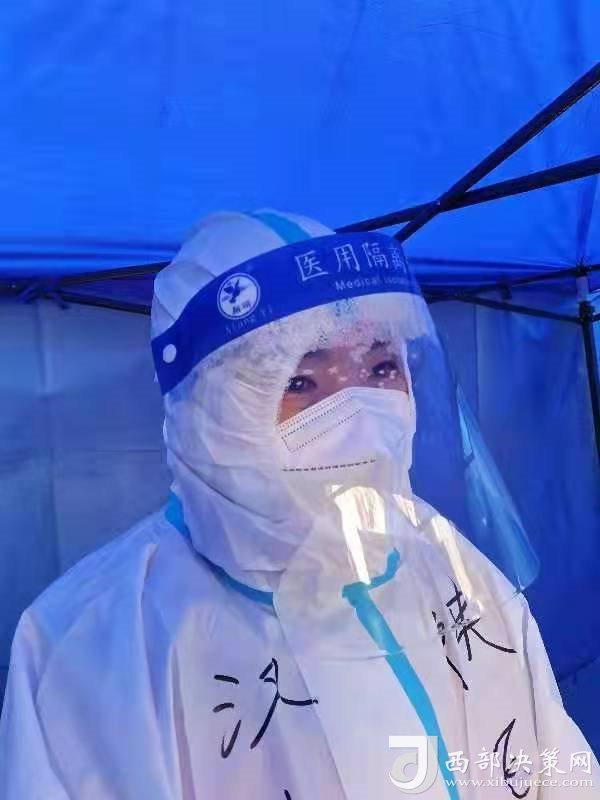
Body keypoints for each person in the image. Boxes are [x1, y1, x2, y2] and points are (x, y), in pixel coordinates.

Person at [0, 209, 598, 799]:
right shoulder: (94, 645)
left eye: (381, 367)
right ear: (209, 411)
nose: (359, 414)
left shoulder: (452, 566)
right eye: (300, 382)